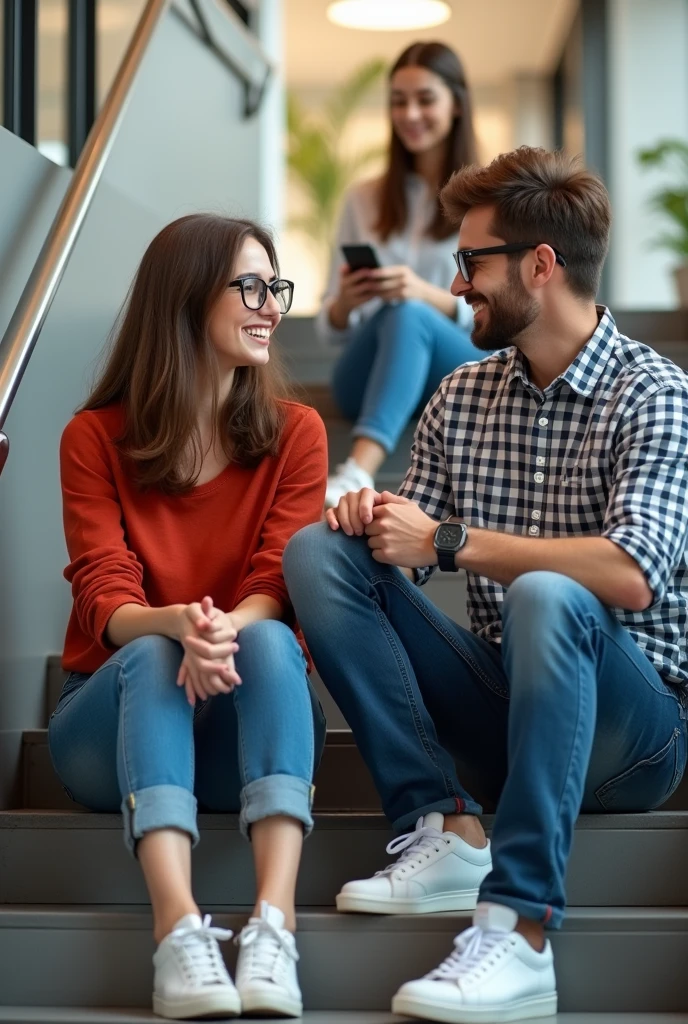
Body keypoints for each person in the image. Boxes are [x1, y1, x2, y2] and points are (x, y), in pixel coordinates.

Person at [284, 147, 688, 1023]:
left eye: (472, 261)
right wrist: (368, 526)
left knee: (551, 592)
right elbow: (408, 544)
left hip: (634, 730)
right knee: (318, 553)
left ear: (540, 265)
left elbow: (631, 574)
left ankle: (522, 931)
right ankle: (443, 823)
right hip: (504, 707)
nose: (457, 282)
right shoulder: (461, 396)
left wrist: (455, 541)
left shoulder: (655, 393)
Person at [48, 214, 327, 1021]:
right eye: (250, 285)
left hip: (240, 727)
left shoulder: (295, 434)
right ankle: (178, 932)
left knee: (272, 636)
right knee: (145, 658)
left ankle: (274, 925)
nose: (271, 304)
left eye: (276, 286)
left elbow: (280, 576)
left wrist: (218, 633)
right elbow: (104, 596)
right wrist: (178, 627)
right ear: (183, 298)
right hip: (112, 732)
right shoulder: (93, 438)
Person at [319, 41, 485, 508]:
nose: (410, 113)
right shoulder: (362, 199)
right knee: (400, 315)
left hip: (458, 370)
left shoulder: (489, 200)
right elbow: (328, 331)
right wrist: (346, 306)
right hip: (366, 374)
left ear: (456, 103)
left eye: (425, 99)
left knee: (409, 312)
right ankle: (358, 468)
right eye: (398, 100)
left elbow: (507, 316)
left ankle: (358, 470)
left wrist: (428, 297)